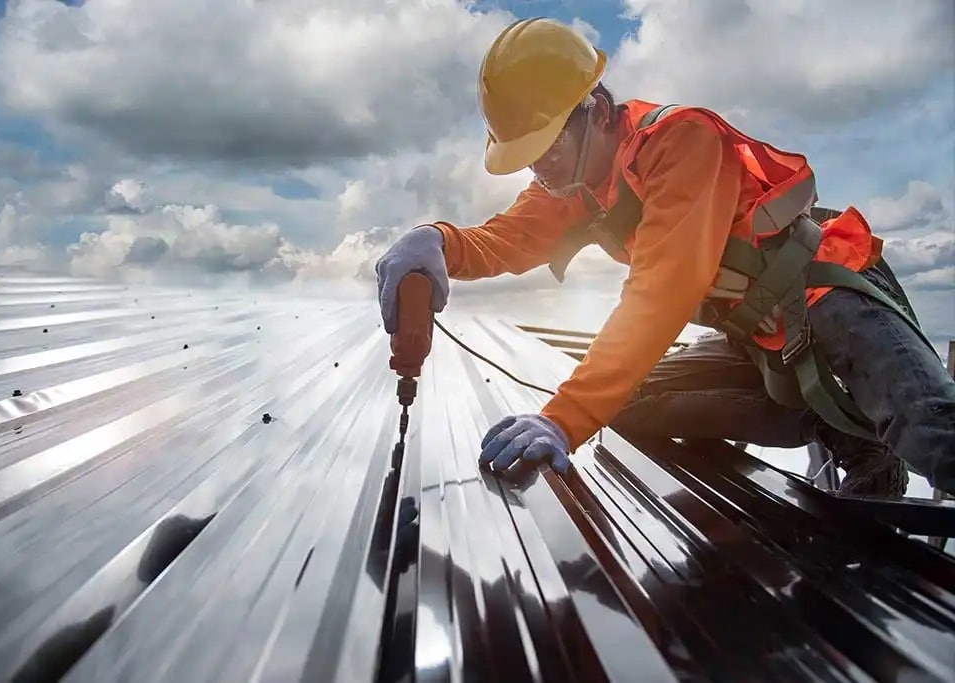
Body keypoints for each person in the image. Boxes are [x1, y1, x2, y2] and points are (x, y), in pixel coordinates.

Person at [375, 17, 955, 497]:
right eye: (528, 156)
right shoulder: (572, 186)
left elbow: (662, 292)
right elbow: (502, 239)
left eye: (548, 145)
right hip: (759, 336)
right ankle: (837, 422)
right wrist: (437, 241)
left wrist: (563, 417)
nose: (539, 168)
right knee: (631, 406)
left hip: (826, 293)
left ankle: (875, 443)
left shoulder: (681, 141)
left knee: (934, 436)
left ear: (596, 110)